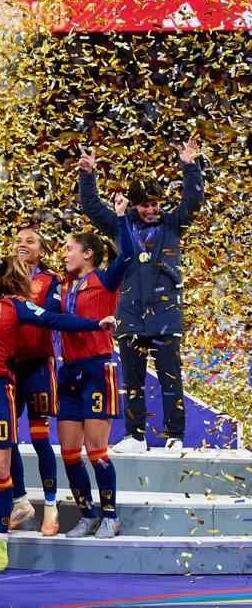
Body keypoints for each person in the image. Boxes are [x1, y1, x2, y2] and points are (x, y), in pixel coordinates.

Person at [0, 254, 117, 572]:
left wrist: (96, 323)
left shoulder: (14, 305)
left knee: (0, 471)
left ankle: (1, 539)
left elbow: (55, 320)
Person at [78, 139, 204, 452]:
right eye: (145, 204)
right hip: (131, 314)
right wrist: (87, 175)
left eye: (155, 203)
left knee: (170, 379)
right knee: (132, 382)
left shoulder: (173, 224)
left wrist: (190, 166)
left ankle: (175, 436)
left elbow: (194, 200)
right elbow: (92, 208)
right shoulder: (121, 226)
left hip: (165, 315)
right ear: (134, 205)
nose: (151, 209)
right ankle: (135, 436)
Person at [57, 201, 132, 539]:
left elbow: (128, 255)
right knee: (70, 452)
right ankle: (87, 514)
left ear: (88, 253)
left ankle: (110, 515)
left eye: (70, 249)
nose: (64, 255)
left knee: (96, 450)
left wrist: (120, 217)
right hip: (68, 371)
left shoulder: (105, 279)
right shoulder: (64, 287)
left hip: (97, 369)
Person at [9, 225, 62, 535]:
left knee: (41, 439)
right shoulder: (4, 279)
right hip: (9, 369)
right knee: (8, 438)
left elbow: (52, 314)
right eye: (18, 240)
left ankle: (51, 507)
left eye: (30, 241)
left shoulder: (49, 280)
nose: (22, 244)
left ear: (41, 250)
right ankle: (20, 501)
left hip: (39, 367)